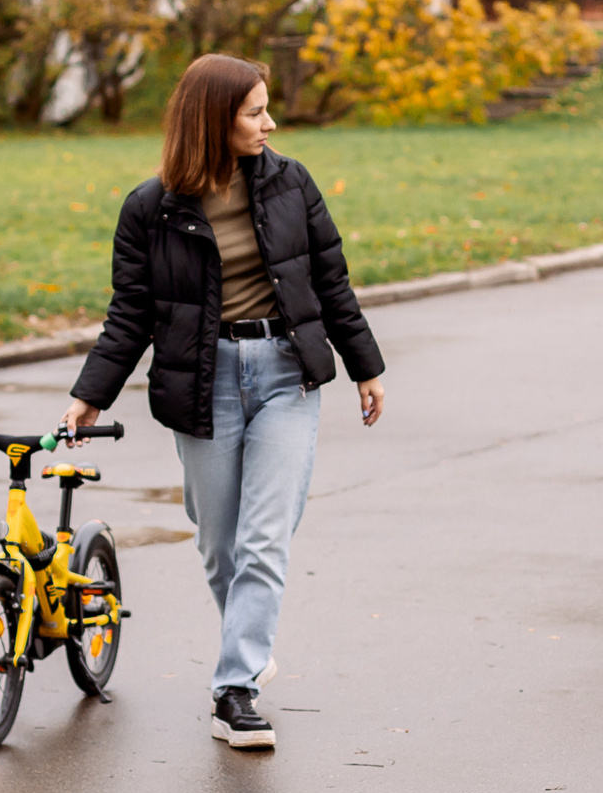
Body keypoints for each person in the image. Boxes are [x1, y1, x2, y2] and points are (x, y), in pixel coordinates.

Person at [62, 55, 386, 751]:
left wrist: (366, 365)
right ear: (213, 120)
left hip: (284, 375)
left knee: (264, 536)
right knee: (219, 543)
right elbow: (131, 312)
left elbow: (331, 279)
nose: (269, 122)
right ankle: (251, 640)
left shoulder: (291, 183)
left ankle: (234, 689)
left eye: (267, 109)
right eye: (254, 112)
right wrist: (90, 394)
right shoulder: (150, 209)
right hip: (204, 380)